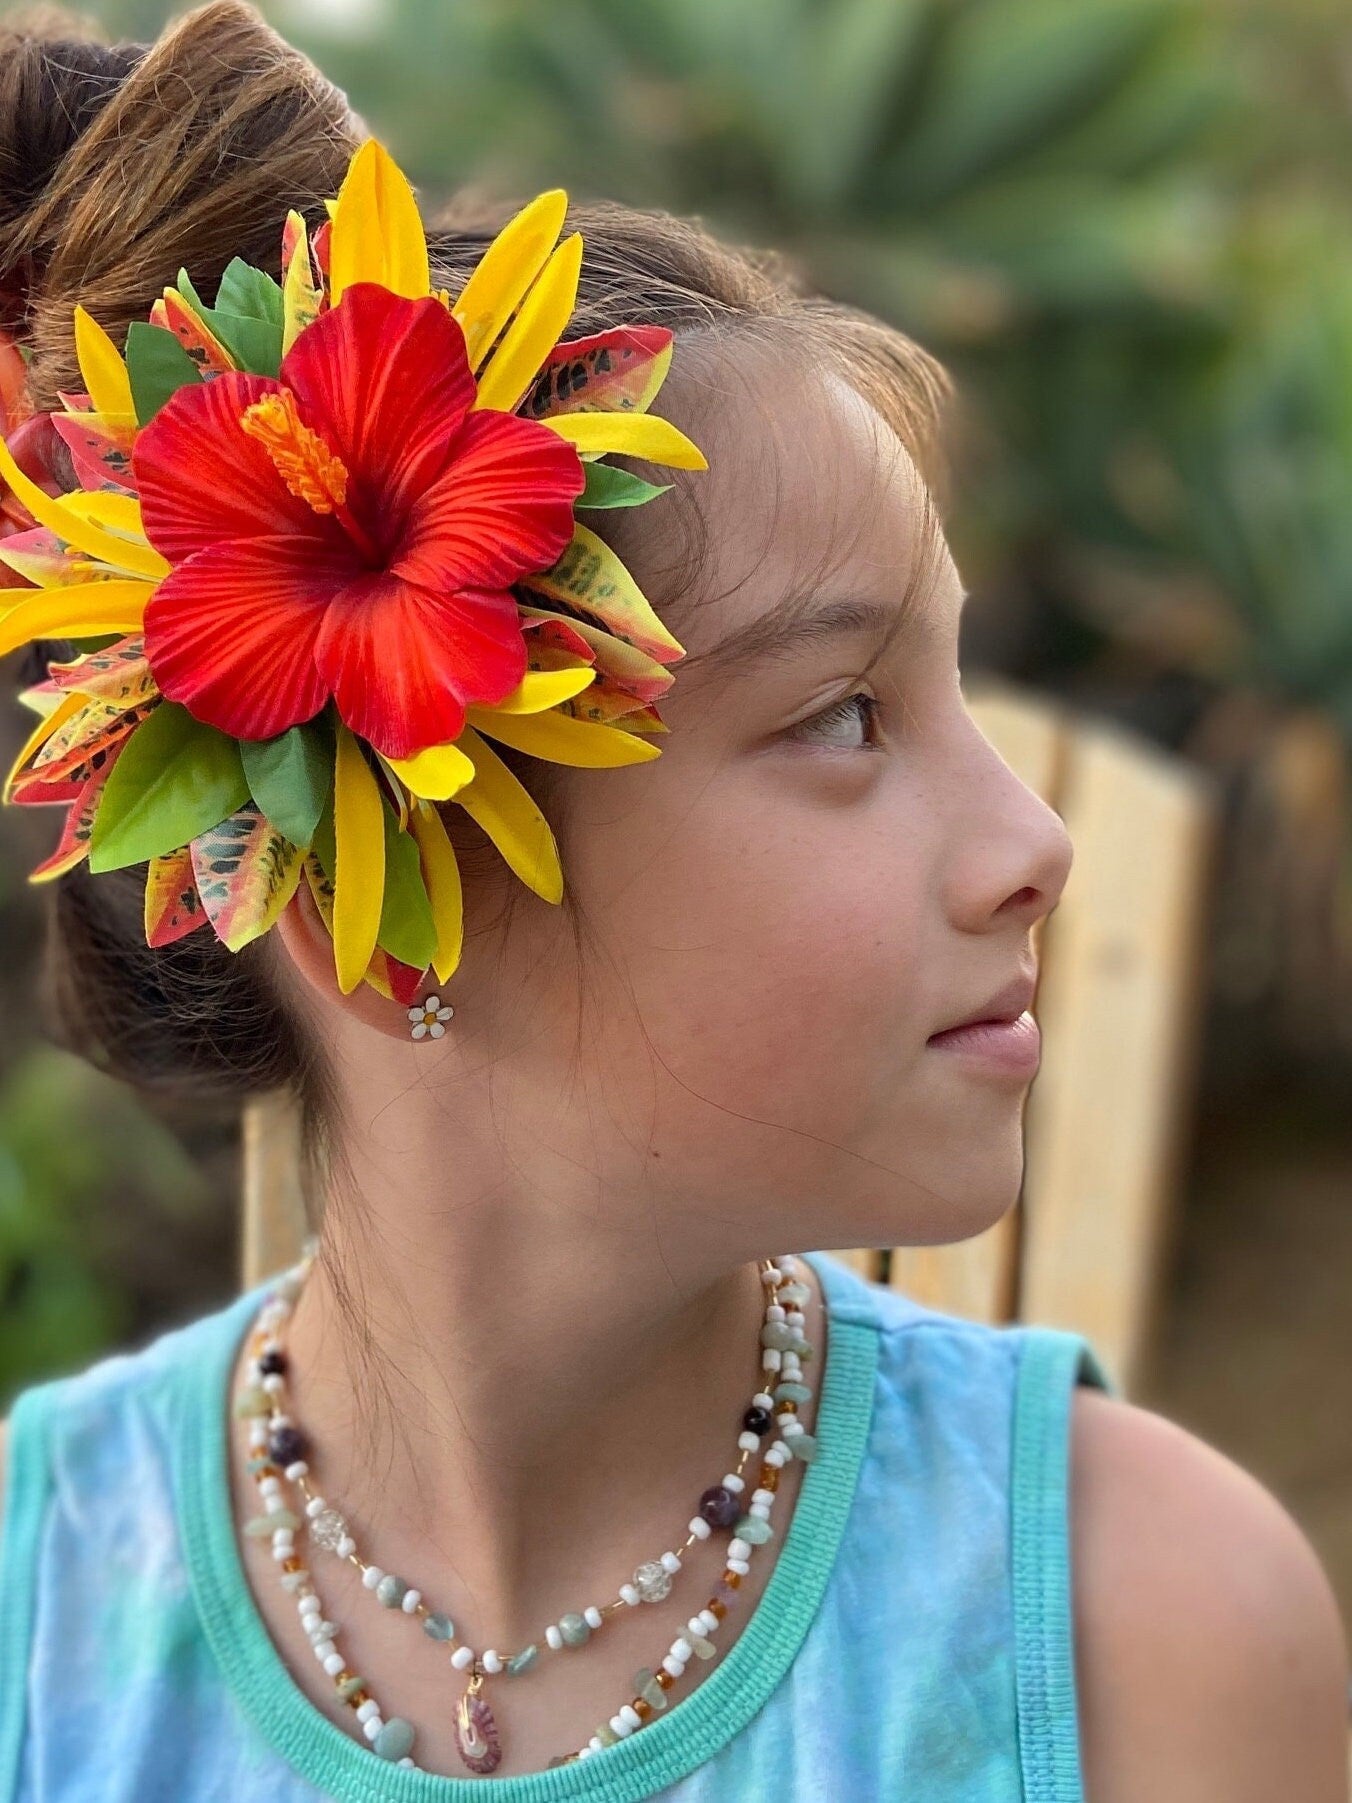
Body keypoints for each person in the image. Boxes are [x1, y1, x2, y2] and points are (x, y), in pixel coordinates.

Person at [0, 3, 1347, 1798]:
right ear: (386, 925)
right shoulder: (39, 1629)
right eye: (845, 714)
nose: (1035, 838)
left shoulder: (1141, 1632)